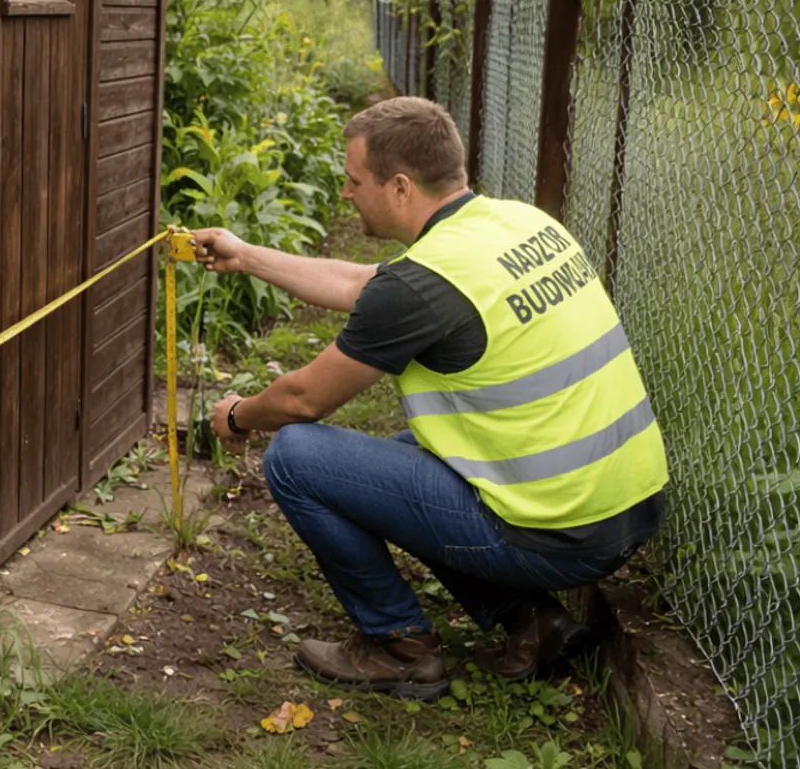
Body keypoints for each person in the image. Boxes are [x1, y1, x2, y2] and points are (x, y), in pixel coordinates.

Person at [191, 97, 667, 700]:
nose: (344, 193)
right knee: (398, 459)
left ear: (398, 187)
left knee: (297, 456)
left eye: (353, 180)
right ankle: (534, 622)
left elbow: (304, 400)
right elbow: (366, 285)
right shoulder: (520, 223)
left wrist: (237, 415)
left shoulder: (426, 283)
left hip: (561, 538)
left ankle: (398, 647)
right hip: (625, 507)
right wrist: (249, 256)